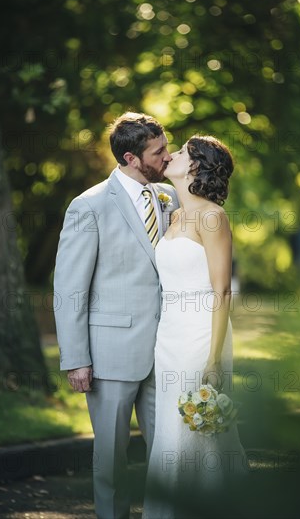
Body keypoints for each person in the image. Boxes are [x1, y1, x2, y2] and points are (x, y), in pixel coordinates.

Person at [53, 112, 179, 519]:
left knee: (170, 452)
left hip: (167, 352)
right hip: (110, 354)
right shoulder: (87, 207)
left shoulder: (170, 198)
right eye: (158, 152)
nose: (167, 156)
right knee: (110, 458)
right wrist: (76, 358)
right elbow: (70, 289)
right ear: (130, 157)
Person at [142, 136, 247, 519]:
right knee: (170, 430)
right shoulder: (172, 216)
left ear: (197, 165)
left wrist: (215, 358)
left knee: (198, 434)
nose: (172, 155)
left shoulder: (212, 216)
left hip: (201, 337)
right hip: (168, 337)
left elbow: (221, 291)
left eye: (183, 152)